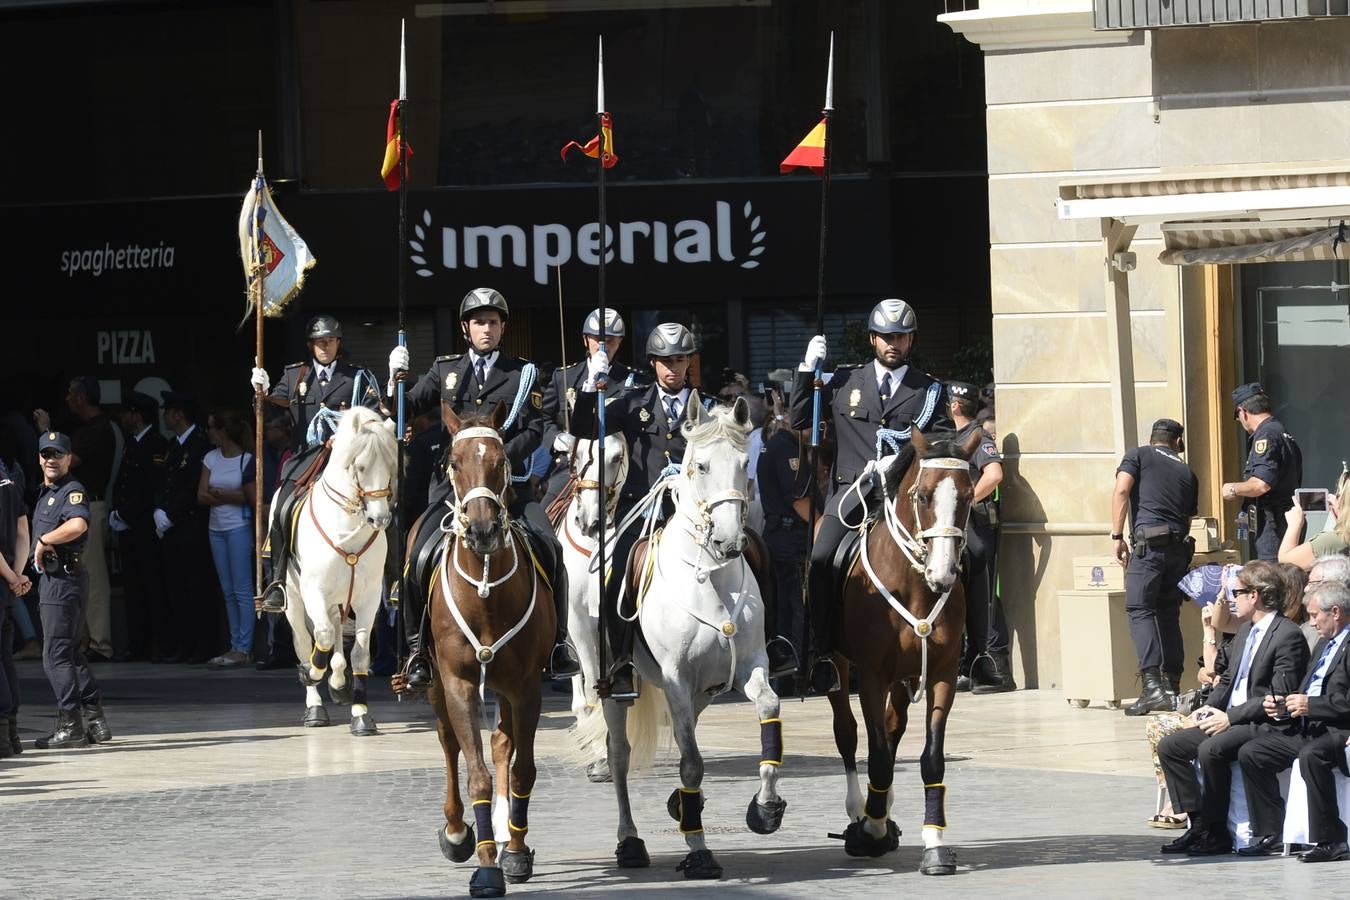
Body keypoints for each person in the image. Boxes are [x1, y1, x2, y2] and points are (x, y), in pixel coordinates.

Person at [389, 287, 577, 690]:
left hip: (509, 491)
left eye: (493, 322)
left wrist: (494, 457)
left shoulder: (522, 373)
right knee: (417, 555)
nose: (486, 329)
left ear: (503, 327)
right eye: (479, 322)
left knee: (550, 547)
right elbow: (404, 406)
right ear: (465, 328)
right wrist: (396, 379)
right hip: (453, 492)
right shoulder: (445, 370)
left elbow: (534, 428)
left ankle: (559, 643)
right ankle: (416, 649)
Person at [790, 298, 953, 692]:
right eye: (885, 337)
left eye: (900, 336)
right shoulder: (845, 381)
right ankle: (823, 652)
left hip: (906, 498)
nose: (892, 344)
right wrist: (805, 371)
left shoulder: (928, 389)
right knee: (821, 559)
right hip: (851, 495)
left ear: (911, 340)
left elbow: (943, 442)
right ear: (872, 339)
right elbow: (798, 419)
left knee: (975, 553)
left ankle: (977, 652)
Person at [1156, 560, 1309, 856]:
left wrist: (1230, 717)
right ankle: (1198, 823)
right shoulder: (1244, 633)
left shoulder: (1287, 635)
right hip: (1229, 717)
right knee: (1171, 746)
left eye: (1235, 593)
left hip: (1261, 722)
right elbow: (1227, 681)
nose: (1229, 599)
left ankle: (1217, 833)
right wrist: (1204, 712)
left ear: (1255, 595)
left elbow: (1279, 694)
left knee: (1211, 750)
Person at [252, 314, 386, 613]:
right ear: (310, 346)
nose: (324, 347)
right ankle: (278, 583)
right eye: (317, 342)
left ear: (339, 343)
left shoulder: (357, 377)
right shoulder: (294, 376)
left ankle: (387, 580)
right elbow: (272, 407)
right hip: (306, 460)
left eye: (329, 341)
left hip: (347, 462)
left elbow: (374, 417)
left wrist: (350, 436)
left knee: (380, 505)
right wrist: (260, 393)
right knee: (281, 507)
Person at [1234, 580, 1350, 860]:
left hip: (1338, 729)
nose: (1311, 623)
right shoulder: (1324, 644)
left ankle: (1331, 839)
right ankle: (1271, 832)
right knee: (1253, 752)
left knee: (1312, 756)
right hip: (1308, 726)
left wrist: (1312, 705)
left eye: (1314, 615)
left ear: (1335, 611)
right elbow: (1307, 688)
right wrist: (1286, 706)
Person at [1110, 418, 1199, 715]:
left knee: (1139, 609)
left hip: (1148, 548)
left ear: (1153, 438)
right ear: (1177, 443)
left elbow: (1122, 490)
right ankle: (1172, 687)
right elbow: (1188, 520)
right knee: (1168, 614)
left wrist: (1117, 535)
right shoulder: (1187, 472)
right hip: (1177, 550)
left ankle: (1152, 688)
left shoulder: (1138, 455)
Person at [30, 432, 110, 749]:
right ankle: (96, 720)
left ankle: (71, 725)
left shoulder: (71, 491)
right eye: (46, 453)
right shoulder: (46, 491)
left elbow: (78, 525)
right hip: (60, 579)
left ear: (68, 458)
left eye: (57, 454)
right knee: (71, 655)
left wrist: (46, 540)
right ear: (39, 458)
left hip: (62, 581)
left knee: (55, 656)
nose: (51, 459)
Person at [36, 376, 119, 661]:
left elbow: (66, 464)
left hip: (90, 507)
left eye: (72, 395)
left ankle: (100, 644)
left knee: (93, 577)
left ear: (82, 398)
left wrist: (47, 432)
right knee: (74, 573)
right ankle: (82, 640)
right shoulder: (81, 429)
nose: (68, 400)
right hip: (72, 509)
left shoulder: (99, 429)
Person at [538, 307, 636, 512]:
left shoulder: (634, 382)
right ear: (585, 340)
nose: (603, 347)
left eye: (610, 341)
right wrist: (555, 439)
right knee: (543, 519)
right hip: (571, 466)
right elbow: (542, 418)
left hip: (615, 468)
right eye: (597, 340)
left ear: (620, 342)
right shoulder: (564, 376)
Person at [947, 381, 1011, 694]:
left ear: (955, 406)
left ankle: (998, 669)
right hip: (963, 529)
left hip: (977, 526)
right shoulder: (959, 437)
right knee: (967, 593)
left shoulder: (978, 436)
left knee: (985, 595)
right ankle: (972, 664)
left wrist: (966, 501)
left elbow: (994, 474)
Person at [755, 391, 815, 695]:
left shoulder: (785, 443)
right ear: (790, 416)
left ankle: (790, 672)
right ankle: (798, 671)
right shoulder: (786, 449)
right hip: (789, 540)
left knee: (785, 607)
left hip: (782, 537)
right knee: (796, 606)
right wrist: (821, 527)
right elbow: (800, 501)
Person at [154, 391, 216, 664]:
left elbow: (193, 486)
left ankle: (202, 646)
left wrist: (173, 514)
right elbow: (163, 481)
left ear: (179, 414)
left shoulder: (200, 444)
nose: (165, 416)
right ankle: (184, 644)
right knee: (176, 590)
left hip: (190, 526)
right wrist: (159, 510)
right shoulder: (173, 445)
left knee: (196, 589)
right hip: (170, 529)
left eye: (168, 411)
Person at [109, 391, 169, 663]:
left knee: (152, 587)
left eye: (127, 412)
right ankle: (138, 645)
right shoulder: (131, 443)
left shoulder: (156, 444)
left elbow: (149, 488)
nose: (123, 418)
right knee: (133, 588)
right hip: (129, 528)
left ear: (138, 415)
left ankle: (159, 644)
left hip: (145, 527)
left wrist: (124, 512)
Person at [199, 409, 257, 668]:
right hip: (216, 529)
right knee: (227, 590)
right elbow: (201, 495)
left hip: (239, 527)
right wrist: (226, 495)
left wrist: (219, 495)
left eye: (212, 427)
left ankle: (244, 648)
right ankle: (235, 645)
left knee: (243, 589)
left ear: (223, 431)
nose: (209, 431)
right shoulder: (210, 457)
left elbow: (249, 497)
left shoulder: (247, 459)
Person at [1222, 383, 1302, 562]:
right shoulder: (1281, 431)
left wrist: (1232, 488)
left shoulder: (1266, 435)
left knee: (1271, 580)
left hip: (1273, 525)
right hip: (1283, 522)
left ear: (1243, 412)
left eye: (1237, 416)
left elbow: (1261, 484)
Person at [0, 455, 32, 758]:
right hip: (8, 581)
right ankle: (10, 733)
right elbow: (23, 529)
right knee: (5, 657)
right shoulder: (9, 473)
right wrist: (18, 574)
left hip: (3, 577)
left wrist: (11, 576)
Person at [1279, 468, 1350, 569]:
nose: (1334, 498)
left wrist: (1294, 524)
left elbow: (1286, 563)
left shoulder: (1333, 541)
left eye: (1339, 495)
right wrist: (1342, 518)